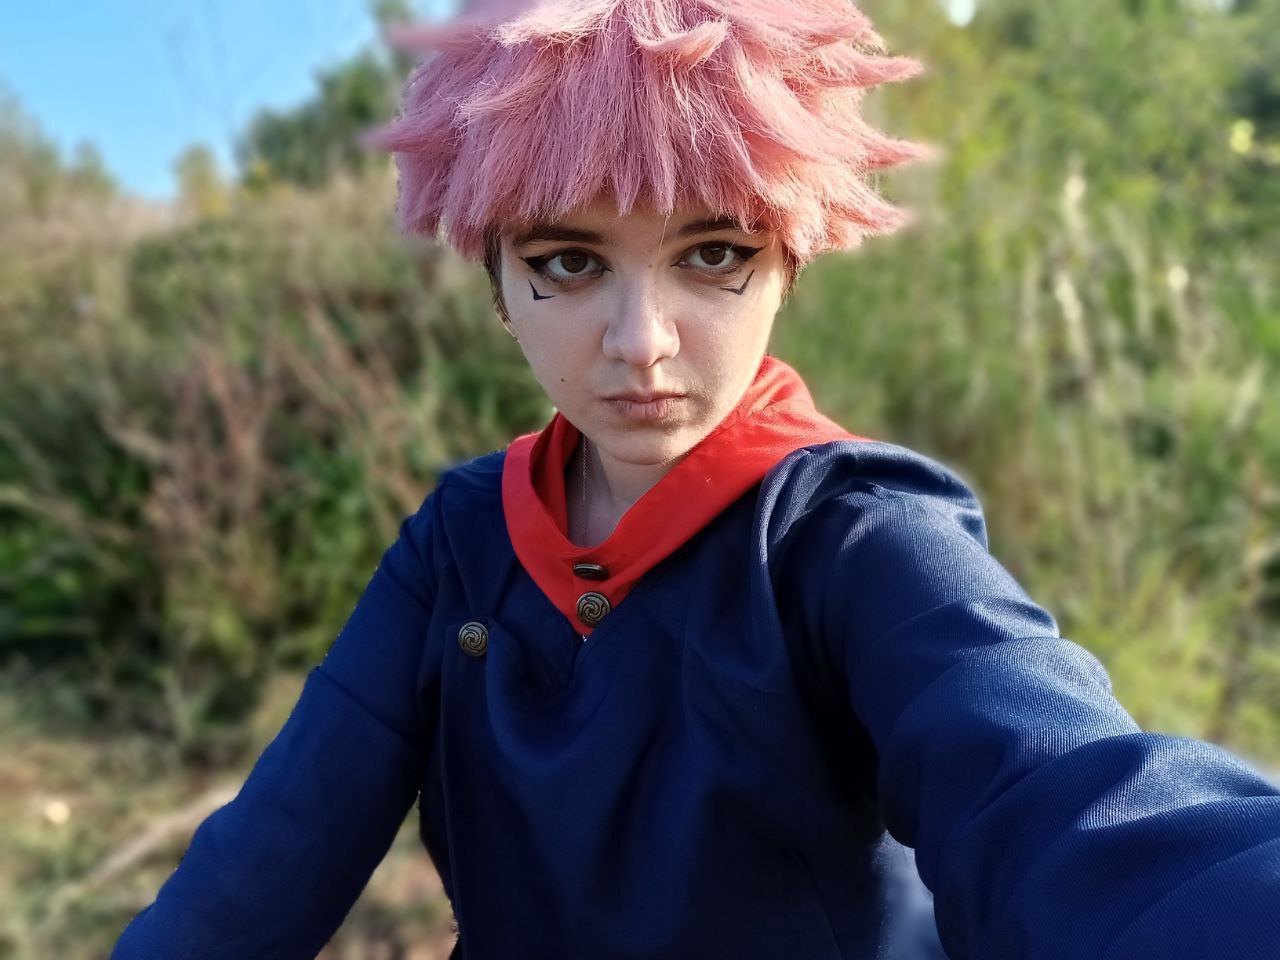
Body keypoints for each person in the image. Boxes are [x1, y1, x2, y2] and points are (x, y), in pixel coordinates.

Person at [111, 1, 1280, 958]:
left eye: (711, 253)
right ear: (495, 283)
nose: (641, 343)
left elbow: (1067, 800)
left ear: (789, 261)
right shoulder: (461, 539)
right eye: (567, 261)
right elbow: (275, 849)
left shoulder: (853, 539)